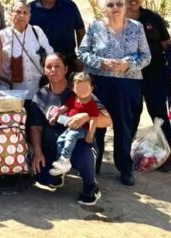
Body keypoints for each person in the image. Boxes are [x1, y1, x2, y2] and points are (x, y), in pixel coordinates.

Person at [78, 0, 151, 186]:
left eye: (119, 4)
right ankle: (93, 164)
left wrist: (129, 65)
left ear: (125, 7)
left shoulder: (137, 28)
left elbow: (146, 56)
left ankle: (125, 168)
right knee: (95, 124)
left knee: (124, 127)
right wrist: (101, 63)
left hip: (128, 84)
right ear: (104, 9)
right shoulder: (95, 27)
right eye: (110, 5)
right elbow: (82, 53)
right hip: (99, 82)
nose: (115, 8)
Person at [29, 53, 112, 206]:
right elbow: (35, 127)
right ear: (45, 71)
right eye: (49, 67)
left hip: (79, 144)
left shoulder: (80, 91)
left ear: (66, 69)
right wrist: (38, 152)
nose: (53, 70)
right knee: (43, 179)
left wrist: (87, 117)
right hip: (52, 147)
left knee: (84, 152)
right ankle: (59, 174)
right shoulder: (40, 95)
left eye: (57, 66)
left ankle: (91, 187)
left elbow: (107, 120)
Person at [122, 0, 171, 172]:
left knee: (159, 113)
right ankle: (126, 156)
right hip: (128, 77)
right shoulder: (116, 17)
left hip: (154, 74)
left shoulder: (151, 17)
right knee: (130, 116)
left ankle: (166, 156)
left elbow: (167, 44)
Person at [47, 72, 101, 177]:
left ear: (92, 88)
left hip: (82, 130)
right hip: (71, 127)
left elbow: (94, 119)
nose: (82, 91)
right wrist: (56, 115)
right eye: (79, 88)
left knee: (71, 137)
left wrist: (90, 133)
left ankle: (65, 159)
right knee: (60, 140)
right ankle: (61, 163)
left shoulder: (92, 104)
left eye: (85, 88)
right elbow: (64, 108)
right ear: (73, 88)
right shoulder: (74, 99)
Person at [29, 0, 85, 69]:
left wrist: (81, 57)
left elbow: (80, 31)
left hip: (68, 62)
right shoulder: (30, 9)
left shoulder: (69, 6)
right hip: (39, 64)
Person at [0, 1, 54, 93]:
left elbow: (50, 56)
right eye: (18, 12)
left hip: (38, 90)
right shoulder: (2, 35)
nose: (22, 15)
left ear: (29, 16)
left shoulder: (37, 32)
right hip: (12, 92)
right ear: (11, 14)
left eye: (25, 13)